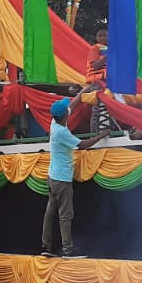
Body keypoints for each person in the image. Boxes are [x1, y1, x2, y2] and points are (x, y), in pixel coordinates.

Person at [43, 98, 103, 258]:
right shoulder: (61, 132)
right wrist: (102, 136)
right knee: (65, 215)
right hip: (62, 179)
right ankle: (68, 250)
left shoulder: (55, 122)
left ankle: (46, 247)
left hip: (52, 176)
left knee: (50, 212)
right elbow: (82, 145)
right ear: (64, 117)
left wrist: (83, 92)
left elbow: (72, 105)